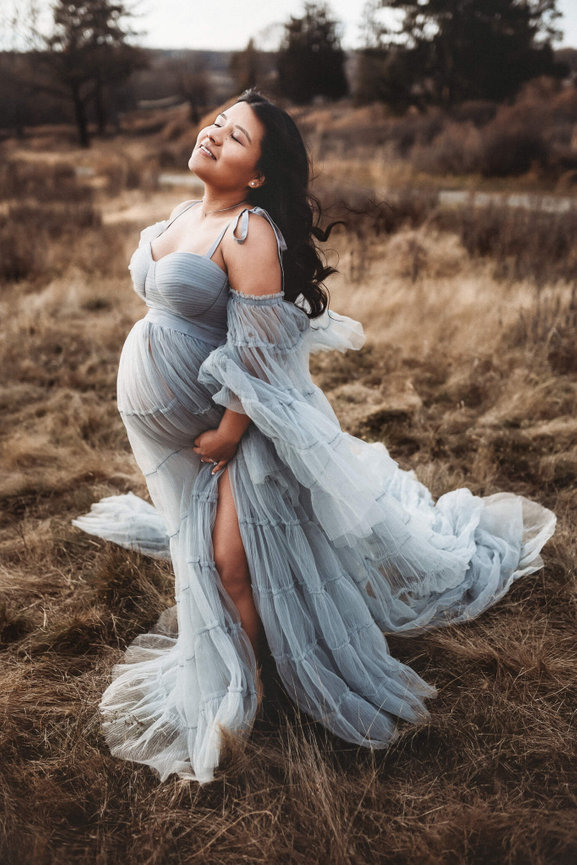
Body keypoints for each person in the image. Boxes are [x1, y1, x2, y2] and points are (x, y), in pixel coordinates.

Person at [73, 90, 556, 785]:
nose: (213, 134)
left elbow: (261, 352)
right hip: (180, 434)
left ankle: (245, 699)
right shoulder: (182, 215)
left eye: (235, 137)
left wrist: (229, 432)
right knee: (201, 552)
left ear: (258, 174)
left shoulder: (249, 234)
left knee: (230, 562)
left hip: (242, 429)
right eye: (217, 122)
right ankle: (245, 668)